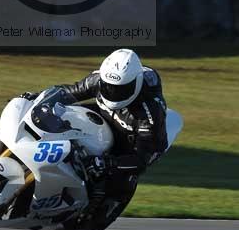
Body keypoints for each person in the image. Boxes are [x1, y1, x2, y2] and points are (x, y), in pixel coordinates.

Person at [24, 49, 168, 219]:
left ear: (136, 83)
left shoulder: (149, 113)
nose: (113, 93)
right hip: (104, 115)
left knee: (117, 176)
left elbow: (141, 158)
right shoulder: (98, 80)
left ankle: (96, 206)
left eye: (121, 89)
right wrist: (40, 99)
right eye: (109, 87)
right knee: (65, 113)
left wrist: (109, 162)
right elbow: (69, 92)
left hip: (135, 138)